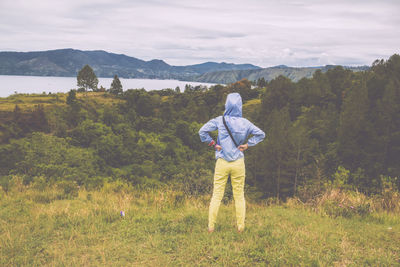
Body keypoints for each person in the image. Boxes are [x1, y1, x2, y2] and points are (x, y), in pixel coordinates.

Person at [199, 93, 265, 233]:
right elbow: (261, 134)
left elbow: (202, 131)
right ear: (240, 106)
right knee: (239, 195)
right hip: (238, 163)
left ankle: (211, 227)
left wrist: (213, 143)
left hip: (222, 162)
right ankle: (240, 227)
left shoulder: (219, 120)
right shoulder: (245, 123)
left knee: (217, 195)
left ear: (227, 105)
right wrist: (248, 145)